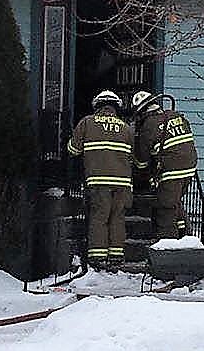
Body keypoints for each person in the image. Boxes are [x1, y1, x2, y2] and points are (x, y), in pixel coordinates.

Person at [67, 90, 133, 271]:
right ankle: (116, 256)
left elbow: (73, 149)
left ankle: (98, 258)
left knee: (99, 217)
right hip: (123, 183)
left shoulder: (87, 122)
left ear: (97, 106)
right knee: (117, 217)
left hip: (98, 180)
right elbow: (132, 156)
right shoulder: (126, 128)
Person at [131, 90, 197, 239]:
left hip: (171, 170)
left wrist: (141, 177)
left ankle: (168, 243)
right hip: (189, 167)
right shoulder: (176, 116)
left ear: (142, 112)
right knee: (174, 201)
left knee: (165, 208)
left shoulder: (148, 126)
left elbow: (142, 162)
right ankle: (185, 234)